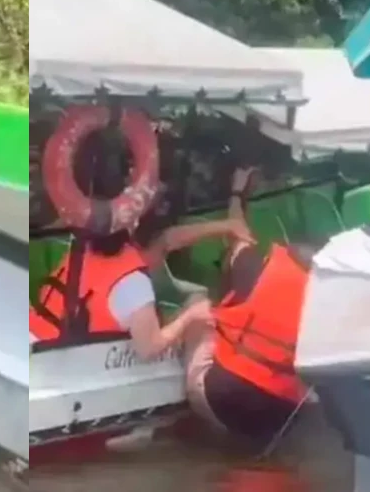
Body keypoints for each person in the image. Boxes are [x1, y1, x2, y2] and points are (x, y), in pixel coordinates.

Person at [29, 151, 254, 359]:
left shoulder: (85, 246)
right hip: (63, 364)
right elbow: (149, 349)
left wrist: (226, 225)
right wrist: (191, 316)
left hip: (33, 341)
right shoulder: (133, 282)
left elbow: (167, 240)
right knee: (197, 303)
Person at [182, 167, 318, 447]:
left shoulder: (255, 265)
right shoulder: (328, 299)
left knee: (198, 303)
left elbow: (237, 234)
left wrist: (237, 192)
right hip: (277, 419)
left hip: (219, 396)